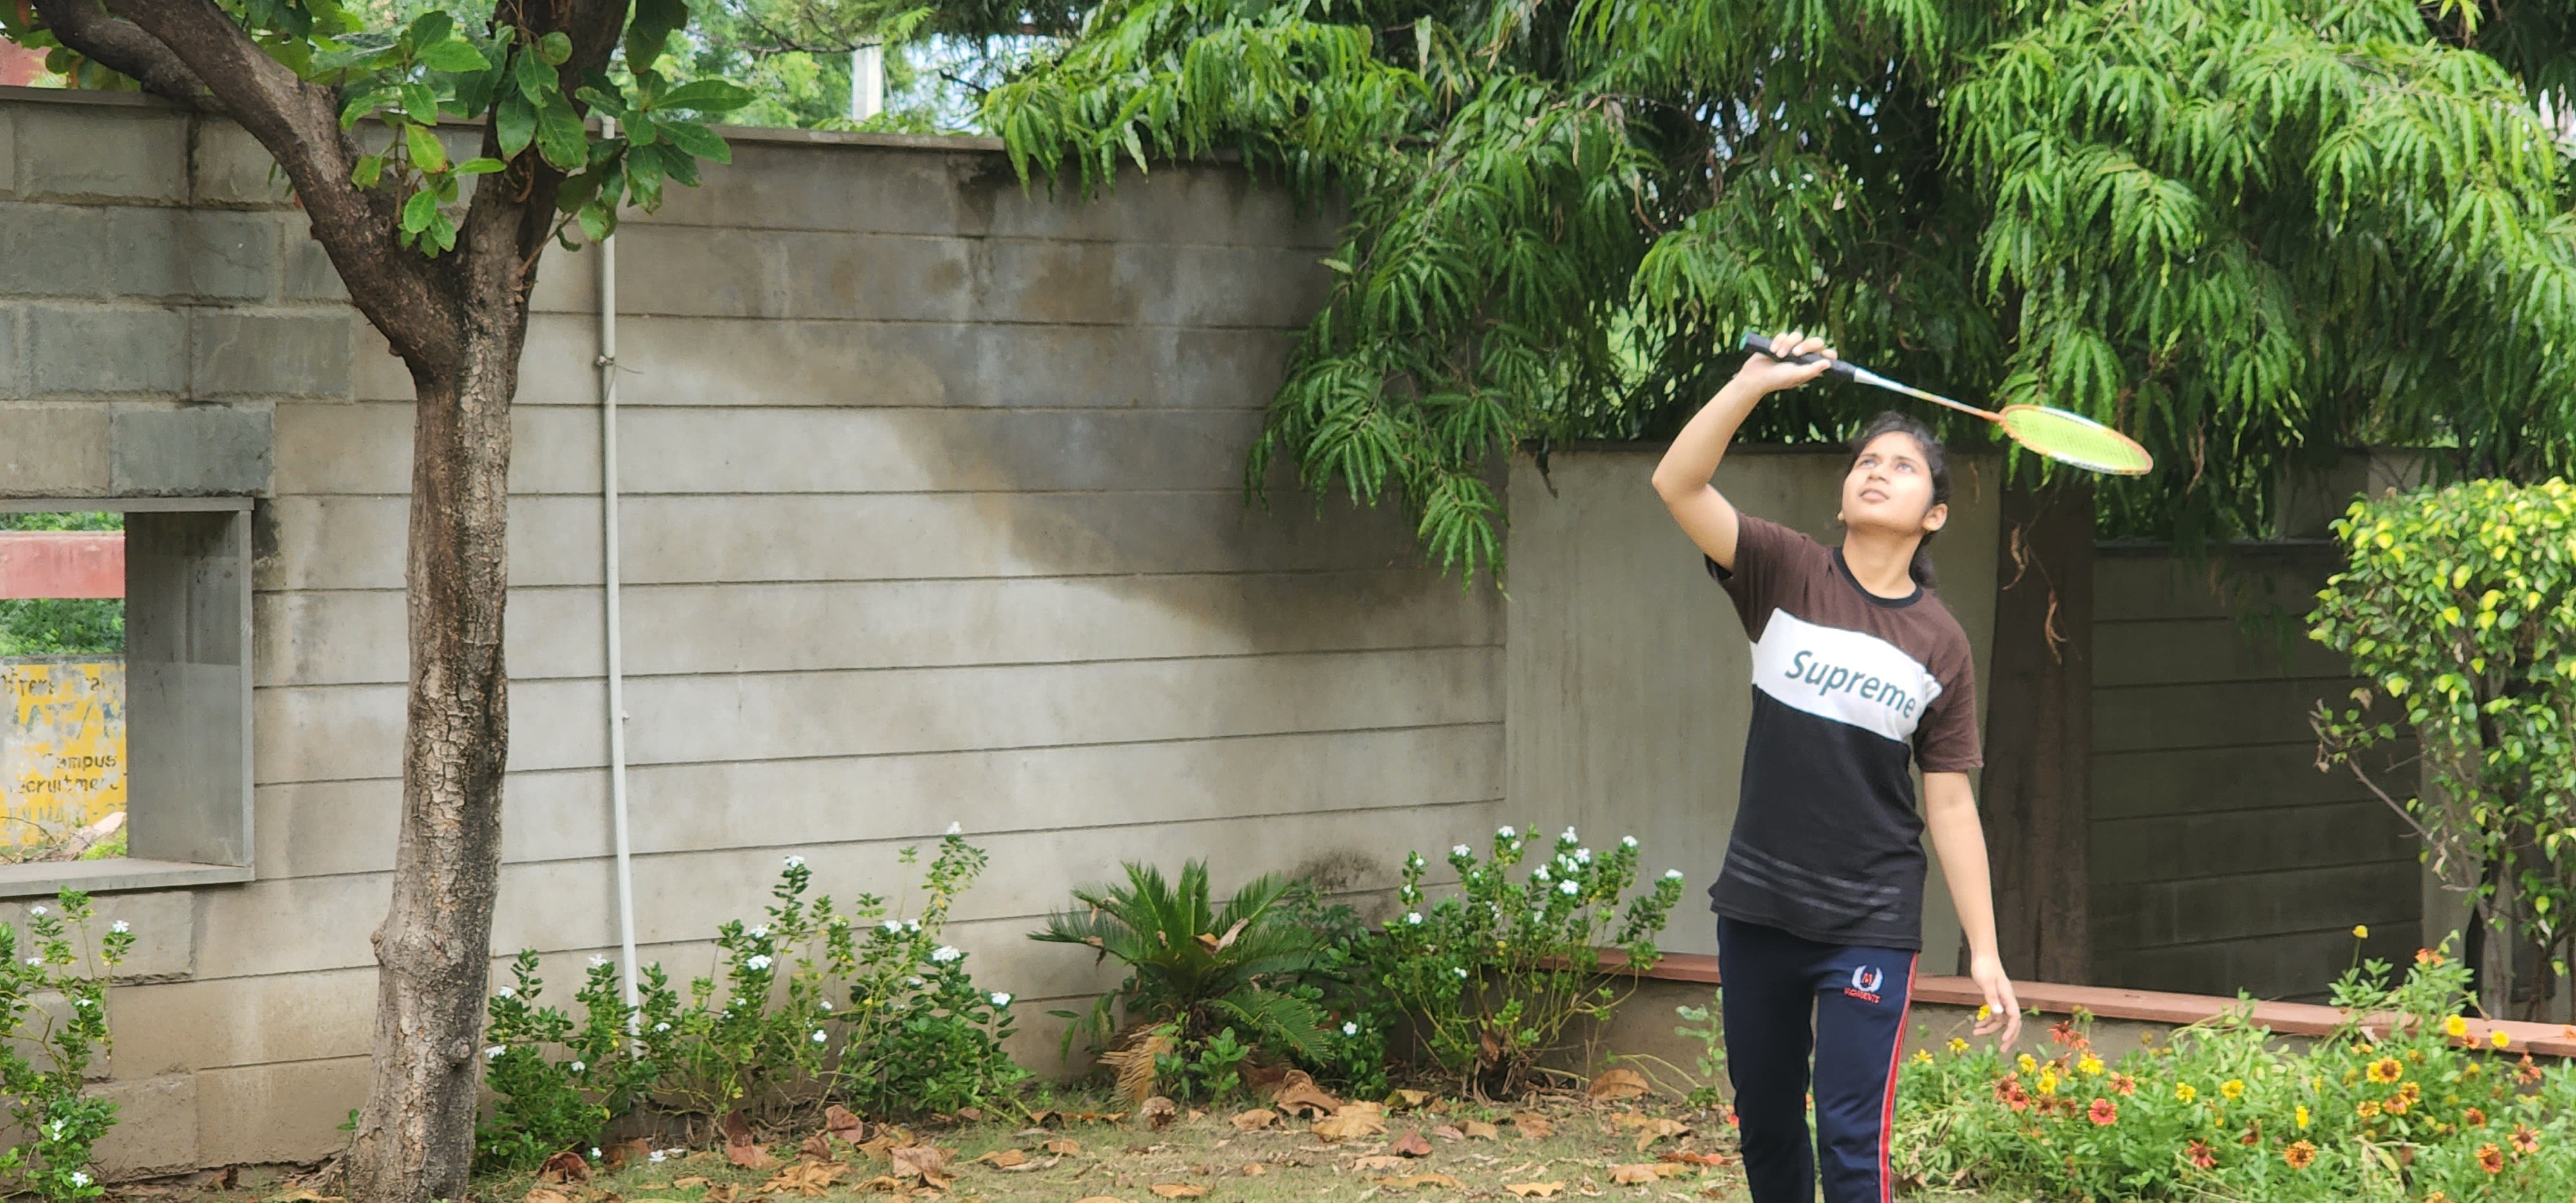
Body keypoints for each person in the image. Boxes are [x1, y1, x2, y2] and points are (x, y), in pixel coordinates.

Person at [1649, 331, 2024, 1203]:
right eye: (1866, 460)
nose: (1878, 470)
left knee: (1852, 1144)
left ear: (1935, 514)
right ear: (1844, 489)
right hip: (1759, 909)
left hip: (1868, 919)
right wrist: (1752, 382)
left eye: (1903, 465)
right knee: (1770, 1128)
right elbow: (1678, 484)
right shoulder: (1783, 571)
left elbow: (1953, 804)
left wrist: (1987, 949)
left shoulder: (1942, 643)